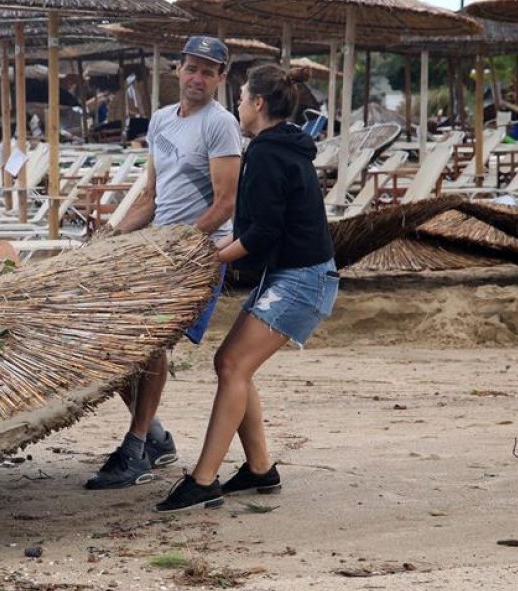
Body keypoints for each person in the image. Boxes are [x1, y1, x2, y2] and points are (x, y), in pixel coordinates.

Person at [154, 64, 339, 512]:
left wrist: (208, 256)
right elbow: (259, 228)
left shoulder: (267, 154)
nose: (236, 104)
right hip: (292, 275)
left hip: (302, 281)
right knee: (232, 364)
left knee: (233, 364)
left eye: (240, 97)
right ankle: (260, 469)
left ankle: (202, 480)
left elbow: (261, 234)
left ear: (258, 104)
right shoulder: (278, 147)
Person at [84, 36, 242, 490]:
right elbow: (151, 198)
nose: (197, 78)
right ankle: (154, 437)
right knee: (113, 340)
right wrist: (114, 235)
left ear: (220, 79)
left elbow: (224, 204)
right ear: (177, 70)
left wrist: (178, 245)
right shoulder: (160, 121)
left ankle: (135, 447)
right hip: (156, 249)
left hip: (196, 254)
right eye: (191, 68)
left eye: (208, 72)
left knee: (150, 341)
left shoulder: (221, 125)